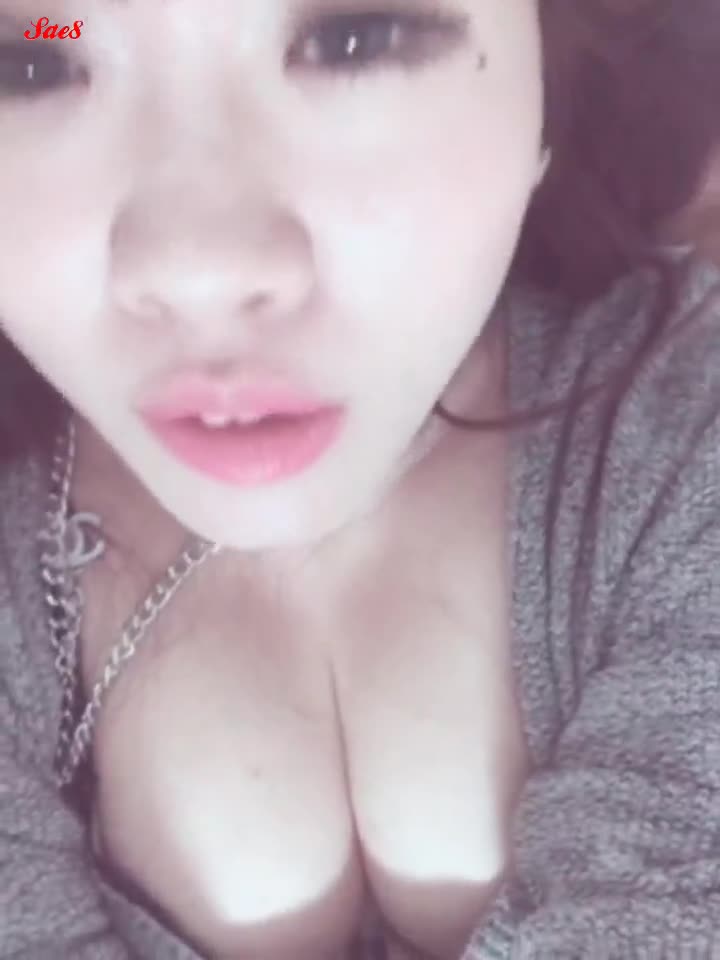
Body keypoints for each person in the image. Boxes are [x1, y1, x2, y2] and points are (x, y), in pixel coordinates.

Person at [1, 1, 719, 958]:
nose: (198, 273)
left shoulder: (684, 440)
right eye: (29, 64)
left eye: (356, 39)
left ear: (551, 74)